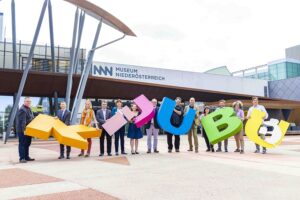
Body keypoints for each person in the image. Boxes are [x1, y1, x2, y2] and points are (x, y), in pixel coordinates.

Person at [16, 97, 35, 163]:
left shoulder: (29, 109)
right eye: (27, 101)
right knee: (22, 144)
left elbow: (31, 118)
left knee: (27, 143)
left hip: (29, 130)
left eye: (29, 101)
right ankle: (22, 158)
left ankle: (26, 157)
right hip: (22, 130)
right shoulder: (22, 109)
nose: (28, 102)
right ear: (24, 102)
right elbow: (22, 121)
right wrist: (24, 130)